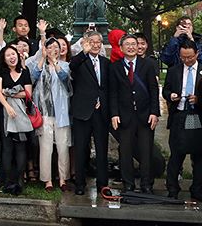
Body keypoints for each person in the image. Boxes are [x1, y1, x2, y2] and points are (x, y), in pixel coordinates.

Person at [110, 34, 160, 193]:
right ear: (121, 48)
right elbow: (113, 93)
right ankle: (128, 184)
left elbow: (153, 90)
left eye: (134, 44)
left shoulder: (148, 65)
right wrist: (114, 113)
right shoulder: (115, 67)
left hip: (145, 115)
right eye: (128, 44)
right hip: (125, 116)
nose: (131, 47)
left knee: (146, 151)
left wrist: (155, 112)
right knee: (125, 152)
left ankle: (147, 184)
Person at [70, 31, 111, 196]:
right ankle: (80, 183)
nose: (95, 45)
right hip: (82, 112)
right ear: (86, 43)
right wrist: (83, 52)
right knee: (81, 149)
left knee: (102, 149)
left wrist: (103, 101)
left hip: (101, 112)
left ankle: (103, 184)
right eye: (92, 42)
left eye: (98, 42)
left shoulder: (106, 63)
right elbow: (72, 67)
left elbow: (107, 87)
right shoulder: (80, 61)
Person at [28, 38, 72, 192]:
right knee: (46, 147)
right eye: (50, 47)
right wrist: (43, 58)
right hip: (44, 112)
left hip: (61, 113)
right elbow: (33, 77)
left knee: (63, 147)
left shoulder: (65, 65)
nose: (53, 49)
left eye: (56, 47)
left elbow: (65, 79)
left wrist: (55, 63)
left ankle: (62, 178)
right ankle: (47, 180)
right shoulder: (40, 66)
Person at [161, 39, 202, 201]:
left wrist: (199, 99)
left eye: (190, 57)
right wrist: (170, 95)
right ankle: (172, 188)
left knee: (199, 155)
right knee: (176, 154)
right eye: (183, 57)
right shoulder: (174, 71)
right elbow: (166, 90)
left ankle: (197, 188)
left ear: (197, 54)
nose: (187, 60)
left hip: (198, 116)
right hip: (179, 115)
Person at [0, 45, 33, 195]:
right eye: (8, 55)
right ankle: (8, 181)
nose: (12, 57)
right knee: (7, 147)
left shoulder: (25, 71)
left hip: (22, 114)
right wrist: (8, 106)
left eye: (14, 54)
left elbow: (28, 93)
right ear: (4, 59)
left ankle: (19, 180)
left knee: (21, 147)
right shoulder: (0, 72)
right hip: (5, 113)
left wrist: (9, 93)